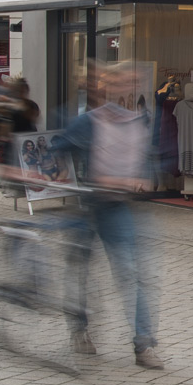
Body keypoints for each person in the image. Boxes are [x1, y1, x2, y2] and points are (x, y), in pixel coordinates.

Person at [48, 65, 164, 368]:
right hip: (88, 206)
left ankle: (143, 344)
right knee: (80, 272)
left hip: (116, 207)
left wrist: (143, 177)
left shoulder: (137, 122)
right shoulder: (87, 122)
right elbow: (57, 147)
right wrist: (59, 168)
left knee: (131, 273)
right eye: (121, 81)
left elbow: (146, 161)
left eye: (132, 82)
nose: (127, 86)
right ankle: (79, 329)